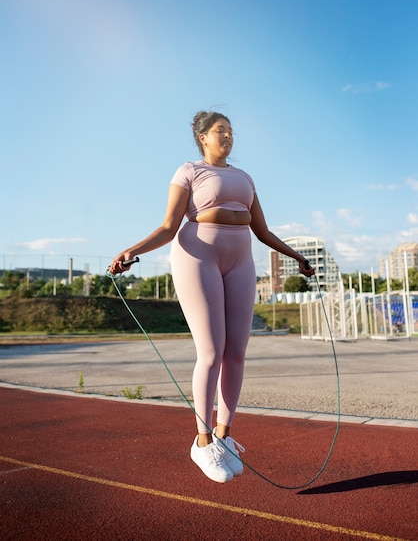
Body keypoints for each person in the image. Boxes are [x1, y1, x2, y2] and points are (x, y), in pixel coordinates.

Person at [109, 110, 314, 484]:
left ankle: (223, 435)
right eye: (221, 131)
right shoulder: (188, 171)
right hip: (197, 253)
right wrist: (131, 250)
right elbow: (169, 226)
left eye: (231, 131)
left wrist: (297, 258)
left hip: (240, 257)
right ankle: (201, 442)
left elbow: (263, 232)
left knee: (237, 351)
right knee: (212, 351)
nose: (228, 136)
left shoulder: (244, 177)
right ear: (203, 137)